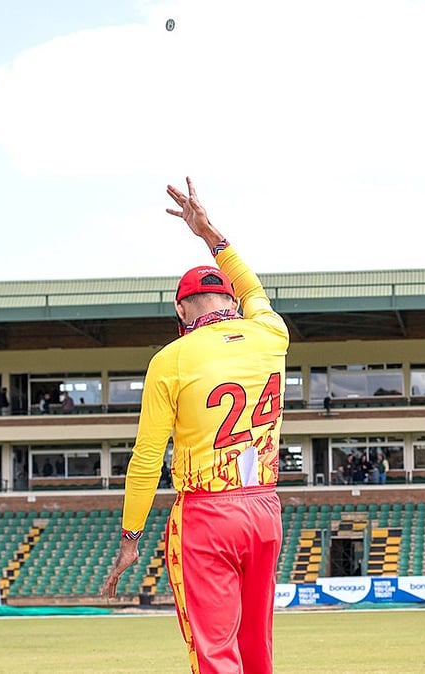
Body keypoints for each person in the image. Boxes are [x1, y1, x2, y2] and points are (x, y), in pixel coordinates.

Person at [102, 177, 288, 674]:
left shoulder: (171, 358)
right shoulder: (272, 333)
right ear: (233, 301)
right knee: (257, 649)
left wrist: (131, 536)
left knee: (214, 652)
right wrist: (210, 234)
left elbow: (147, 458)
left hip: (207, 512)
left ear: (181, 309)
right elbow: (253, 287)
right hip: (264, 508)